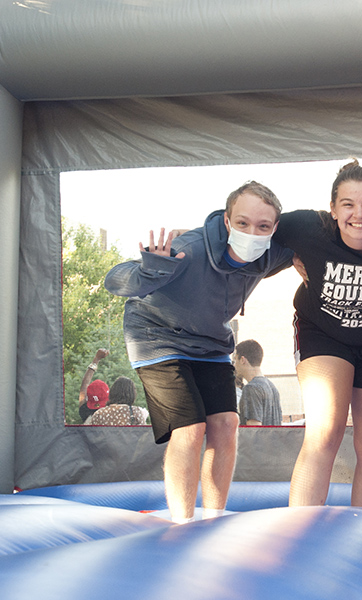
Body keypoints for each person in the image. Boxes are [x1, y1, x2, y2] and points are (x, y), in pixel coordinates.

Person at [104, 181, 293, 523]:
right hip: (157, 336)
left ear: (274, 228)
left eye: (263, 226)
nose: (252, 233)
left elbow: (310, 239)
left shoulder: (269, 254)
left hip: (209, 342)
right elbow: (115, 281)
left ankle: (214, 517)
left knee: (226, 423)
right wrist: (150, 269)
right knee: (190, 429)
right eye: (243, 223)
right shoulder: (188, 250)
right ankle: (182, 522)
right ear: (226, 221)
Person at [273, 161, 362, 509]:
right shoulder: (309, 227)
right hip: (323, 335)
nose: (359, 215)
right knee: (325, 432)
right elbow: (247, 216)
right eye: (348, 205)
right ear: (333, 210)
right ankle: (299, 532)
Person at [234, 339, 282, 426]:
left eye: (235, 360)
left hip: (259, 440)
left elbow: (254, 430)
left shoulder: (251, 388)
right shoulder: (272, 387)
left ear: (242, 360)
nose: (234, 365)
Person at [78, 348, 109, 423]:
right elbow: (83, 388)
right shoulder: (110, 415)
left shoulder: (84, 412)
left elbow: (84, 387)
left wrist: (96, 359)